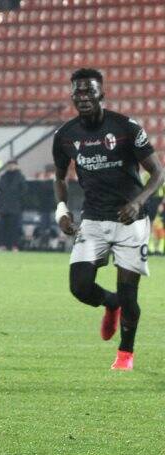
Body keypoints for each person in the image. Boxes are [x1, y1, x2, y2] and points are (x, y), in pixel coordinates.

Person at [52, 68, 164, 371]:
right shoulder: (65, 136)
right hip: (93, 220)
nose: (84, 96)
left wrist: (138, 201)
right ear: (72, 96)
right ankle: (109, 302)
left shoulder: (126, 127)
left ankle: (125, 354)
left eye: (90, 91)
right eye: (78, 91)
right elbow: (60, 177)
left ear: (102, 93)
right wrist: (62, 210)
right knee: (80, 286)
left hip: (131, 221)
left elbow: (157, 172)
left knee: (131, 295)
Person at [0, 160, 27, 251]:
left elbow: (24, 190)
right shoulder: (3, 176)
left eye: (12, 165)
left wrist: (17, 199)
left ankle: (14, 246)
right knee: (2, 227)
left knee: (14, 228)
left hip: (15, 207)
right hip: (4, 206)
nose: (10, 167)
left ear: (16, 166)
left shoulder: (20, 177)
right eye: (9, 165)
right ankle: (2, 245)